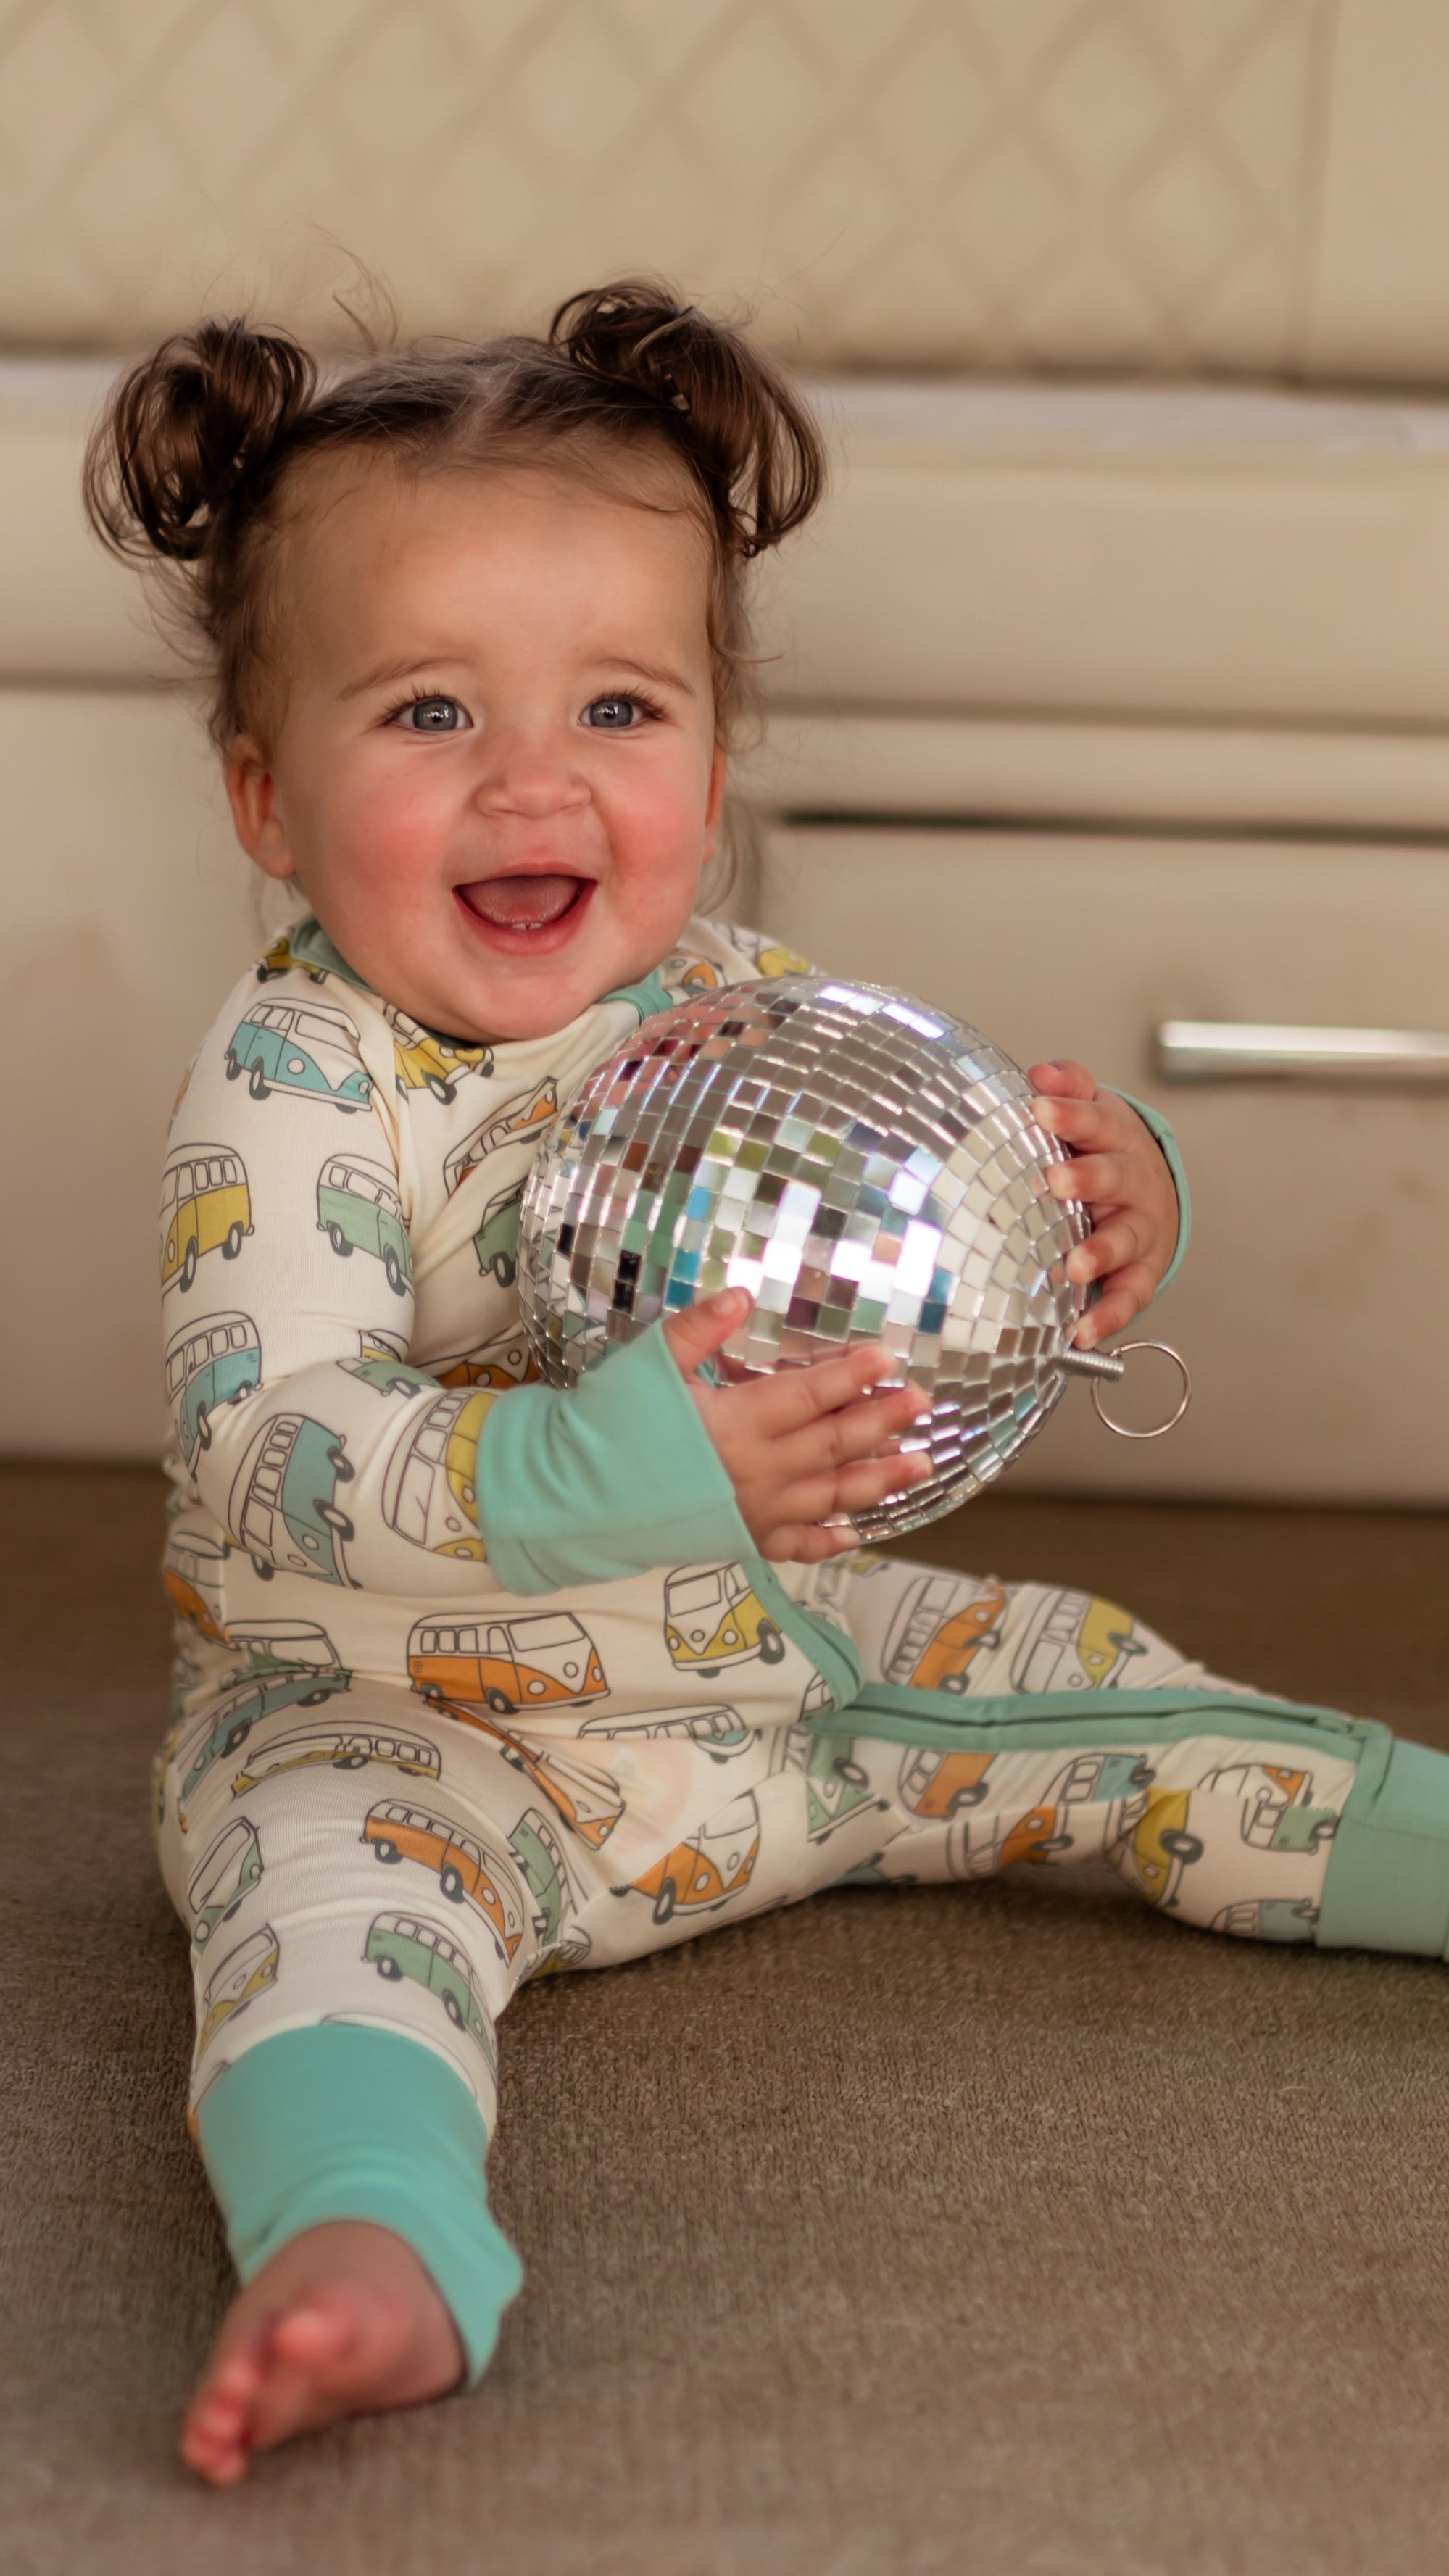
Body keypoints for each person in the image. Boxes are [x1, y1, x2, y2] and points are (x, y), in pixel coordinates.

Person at [86, 281, 1439, 2485]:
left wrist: (1102, 1205)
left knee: (1130, 1698)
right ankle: (368, 2246)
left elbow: (929, 1245)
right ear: (267, 792)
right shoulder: (302, 1079)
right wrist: (603, 1461)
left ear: (713, 771)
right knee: (325, 1941)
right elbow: (270, 1446)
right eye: (430, 710)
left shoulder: (742, 1008)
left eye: (619, 705)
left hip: (785, 1687)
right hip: (400, 1726)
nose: (536, 777)